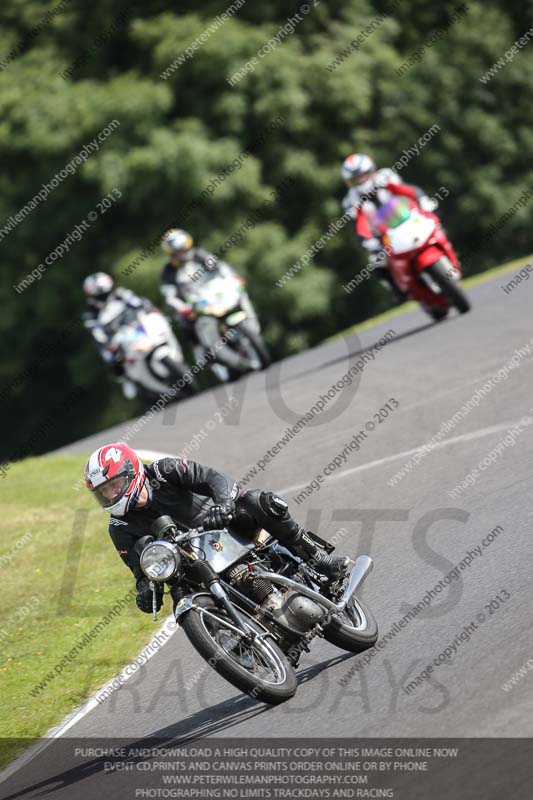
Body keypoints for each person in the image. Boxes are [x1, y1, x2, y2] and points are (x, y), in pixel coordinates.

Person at [84, 442, 348, 614]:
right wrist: (145, 590)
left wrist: (223, 506)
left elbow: (214, 478)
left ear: (131, 471)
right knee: (179, 594)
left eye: (114, 485)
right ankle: (231, 638)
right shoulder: (119, 527)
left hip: (227, 528)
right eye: (104, 492)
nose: (111, 494)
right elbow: (139, 568)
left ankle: (317, 559)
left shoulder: (164, 471)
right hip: (193, 565)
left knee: (258, 500)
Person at [159, 229, 258, 376]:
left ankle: (252, 324)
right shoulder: (168, 272)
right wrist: (182, 308)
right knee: (188, 326)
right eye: (178, 251)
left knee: (242, 296)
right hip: (196, 306)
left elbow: (223, 269)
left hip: (217, 296)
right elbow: (169, 296)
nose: (182, 253)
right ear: (171, 253)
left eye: (184, 249)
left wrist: (234, 279)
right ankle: (206, 355)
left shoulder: (201, 255)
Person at [341, 153, 438, 303]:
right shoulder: (350, 201)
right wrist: (368, 242)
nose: (361, 180)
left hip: (407, 220)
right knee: (376, 261)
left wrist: (422, 200)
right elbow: (357, 228)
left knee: (433, 226)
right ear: (351, 182)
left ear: (371, 170)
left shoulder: (386, 177)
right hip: (382, 237)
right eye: (356, 178)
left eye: (363, 175)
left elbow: (408, 190)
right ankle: (397, 289)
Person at [83, 272, 153, 387]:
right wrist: (106, 342)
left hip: (135, 326)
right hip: (116, 336)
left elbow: (137, 302)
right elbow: (93, 327)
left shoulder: (120, 293)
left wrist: (147, 308)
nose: (103, 296)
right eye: (99, 293)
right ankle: (125, 378)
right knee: (110, 356)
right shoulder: (91, 307)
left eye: (104, 292)